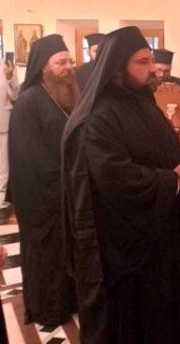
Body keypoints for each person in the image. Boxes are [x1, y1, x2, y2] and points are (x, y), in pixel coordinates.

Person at [62, 26, 180, 343]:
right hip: (125, 258)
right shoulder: (97, 117)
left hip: (162, 249)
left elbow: (170, 152)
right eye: (142, 62)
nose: (153, 69)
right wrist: (174, 181)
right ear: (116, 69)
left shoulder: (145, 103)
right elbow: (113, 177)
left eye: (151, 60)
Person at [8, 34, 77, 327]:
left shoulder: (67, 95)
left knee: (67, 254)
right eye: (61, 62)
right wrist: (67, 183)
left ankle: (70, 301)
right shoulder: (28, 102)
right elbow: (30, 159)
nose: (68, 67)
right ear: (43, 68)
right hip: (41, 198)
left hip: (67, 192)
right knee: (46, 257)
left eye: (70, 61)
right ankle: (47, 309)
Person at [0, 57, 18, 208]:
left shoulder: (6, 67)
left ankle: (1, 198)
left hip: (3, 122)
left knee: (3, 163)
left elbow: (15, 96)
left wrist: (9, 77)